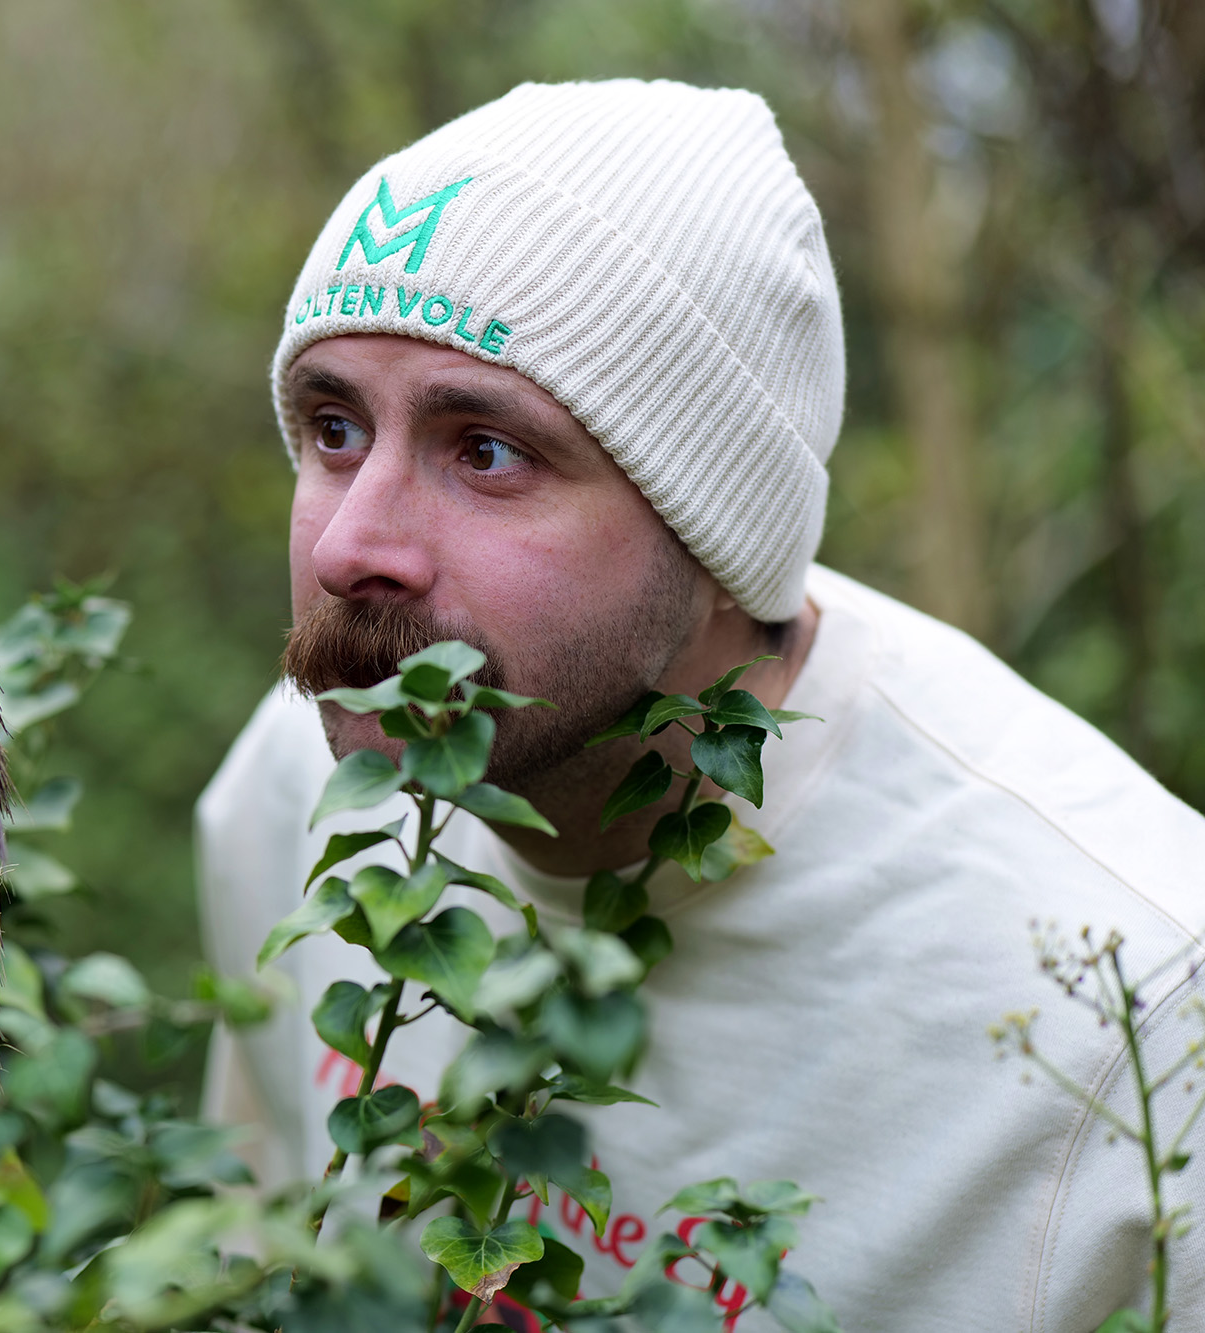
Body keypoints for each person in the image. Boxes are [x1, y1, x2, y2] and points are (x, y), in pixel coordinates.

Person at [195, 78, 1205, 1329]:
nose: (352, 545)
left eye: (485, 450)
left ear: (718, 536)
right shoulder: (297, 789)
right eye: (332, 427)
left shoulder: (1136, 1026)